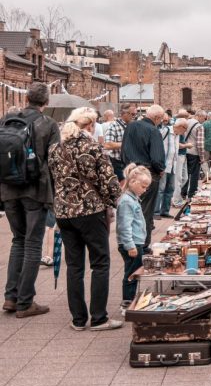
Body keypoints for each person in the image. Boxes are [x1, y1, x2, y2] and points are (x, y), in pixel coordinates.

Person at [48, 107, 123, 331]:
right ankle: (99, 317)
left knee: (74, 266)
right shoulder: (92, 147)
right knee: (100, 263)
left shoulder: (54, 148)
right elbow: (109, 181)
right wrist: (113, 202)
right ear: (90, 125)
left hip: (64, 212)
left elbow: (53, 179)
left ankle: (78, 319)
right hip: (91, 210)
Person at [1, 83, 60, 317]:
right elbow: (55, 159)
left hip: (8, 187)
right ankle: (26, 302)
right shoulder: (48, 124)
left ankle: (10, 297)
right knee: (33, 244)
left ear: (27, 98)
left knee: (18, 241)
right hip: (36, 189)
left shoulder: (8, 119)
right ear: (45, 102)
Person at [121, 104, 166, 248]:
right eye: (161, 119)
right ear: (157, 117)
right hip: (147, 173)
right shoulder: (153, 130)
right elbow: (157, 158)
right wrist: (160, 169)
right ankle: (142, 244)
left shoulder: (131, 126)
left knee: (131, 209)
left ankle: (129, 241)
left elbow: (123, 151)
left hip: (132, 172)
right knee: (145, 211)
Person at [116, 164, 151, 309]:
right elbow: (124, 226)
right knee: (132, 274)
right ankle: (127, 303)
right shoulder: (127, 201)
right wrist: (130, 245)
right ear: (132, 182)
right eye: (143, 186)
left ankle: (130, 300)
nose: (145, 190)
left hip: (135, 242)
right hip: (132, 244)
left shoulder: (131, 199)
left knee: (133, 271)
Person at [155, 113, 181, 219]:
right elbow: (158, 144)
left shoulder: (177, 135)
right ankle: (156, 212)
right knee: (161, 188)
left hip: (173, 164)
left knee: (170, 188)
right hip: (164, 164)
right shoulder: (166, 131)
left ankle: (165, 211)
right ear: (180, 127)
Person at [104, 103, 137, 182]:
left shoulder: (133, 126)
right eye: (132, 114)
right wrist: (126, 144)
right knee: (122, 189)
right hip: (118, 165)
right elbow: (107, 145)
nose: (134, 116)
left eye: (135, 114)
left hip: (131, 163)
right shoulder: (114, 126)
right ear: (124, 113)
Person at [180, 110, 206, 199]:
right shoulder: (199, 126)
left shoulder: (186, 122)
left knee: (185, 173)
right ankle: (192, 193)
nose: (204, 120)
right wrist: (202, 157)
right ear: (199, 116)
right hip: (194, 152)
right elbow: (200, 144)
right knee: (194, 174)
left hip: (184, 151)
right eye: (204, 118)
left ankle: (183, 192)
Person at [171, 118, 189, 207]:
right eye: (185, 128)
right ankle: (175, 199)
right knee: (178, 179)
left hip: (183, 155)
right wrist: (187, 145)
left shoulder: (179, 132)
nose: (186, 130)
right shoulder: (176, 132)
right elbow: (177, 145)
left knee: (184, 178)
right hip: (178, 156)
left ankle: (175, 196)